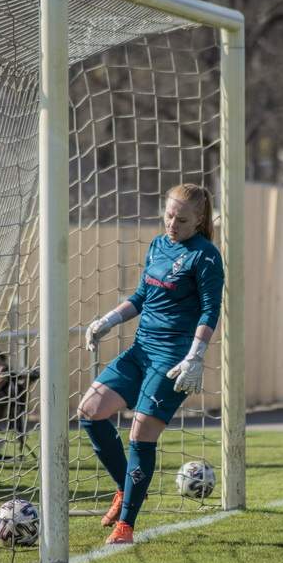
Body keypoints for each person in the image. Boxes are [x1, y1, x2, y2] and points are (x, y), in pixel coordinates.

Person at [77, 183, 224, 544]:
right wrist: (108, 320)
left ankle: (126, 525)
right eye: (169, 215)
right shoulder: (159, 245)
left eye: (182, 219)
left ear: (200, 219)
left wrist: (196, 356)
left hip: (174, 358)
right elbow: (143, 295)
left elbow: (210, 309)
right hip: (142, 349)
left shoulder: (206, 255)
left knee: (140, 433)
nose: (172, 223)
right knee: (90, 410)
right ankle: (124, 489)